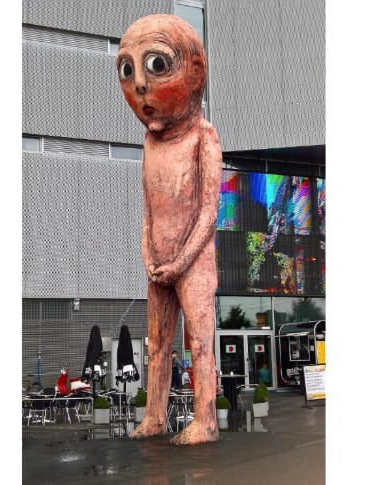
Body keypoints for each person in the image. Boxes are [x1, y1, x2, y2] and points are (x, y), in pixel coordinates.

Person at [118, 14, 222, 445]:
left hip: (192, 261)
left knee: (199, 339)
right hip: (158, 262)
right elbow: (148, 209)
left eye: (157, 64)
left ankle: (205, 420)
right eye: (127, 69)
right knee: (157, 344)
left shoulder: (202, 136)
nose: (140, 84)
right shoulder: (150, 143)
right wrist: (148, 254)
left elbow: (209, 212)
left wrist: (181, 261)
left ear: (194, 71)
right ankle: (155, 416)